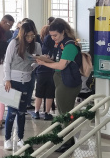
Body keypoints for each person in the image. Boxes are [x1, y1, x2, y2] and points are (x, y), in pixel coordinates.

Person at [36, 18, 82, 153]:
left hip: (68, 82)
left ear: (63, 32)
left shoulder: (69, 45)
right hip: (61, 79)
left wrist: (44, 64)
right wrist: (46, 59)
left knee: (65, 113)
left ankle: (68, 141)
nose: (53, 38)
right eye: (51, 36)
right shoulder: (60, 44)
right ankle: (67, 139)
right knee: (63, 112)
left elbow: (61, 65)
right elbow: (57, 60)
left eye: (55, 35)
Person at [3, 21, 42, 150]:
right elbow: (6, 62)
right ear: (22, 34)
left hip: (28, 81)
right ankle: (7, 139)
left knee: (21, 112)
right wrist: (7, 80)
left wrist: (33, 65)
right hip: (13, 81)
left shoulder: (36, 45)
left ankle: (20, 138)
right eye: (27, 36)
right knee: (12, 112)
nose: (30, 38)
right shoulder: (14, 43)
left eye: (32, 35)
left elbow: (37, 61)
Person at [32, 25, 55, 120]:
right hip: (51, 73)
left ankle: (36, 112)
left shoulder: (40, 48)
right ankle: (47, 113)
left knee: (39, 94)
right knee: (50, 94)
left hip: (41, 73)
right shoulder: (55, 50)